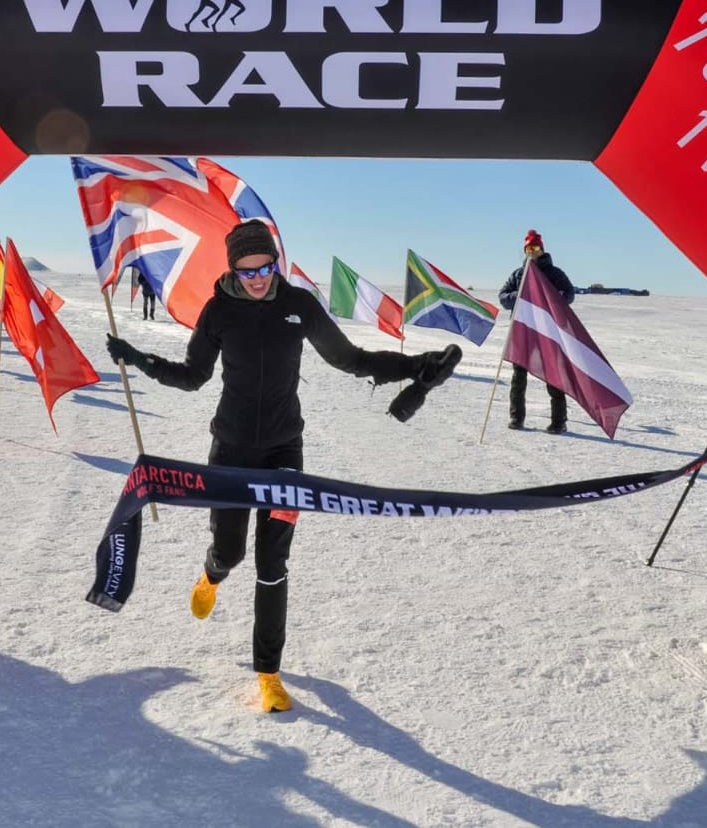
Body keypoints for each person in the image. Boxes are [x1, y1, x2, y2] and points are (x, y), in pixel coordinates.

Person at [104, 219, 462, 713]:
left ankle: (268, 674)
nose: (257, 279)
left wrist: (417, 365)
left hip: (283, 455)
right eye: (247, 271)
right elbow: (192, 376)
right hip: (231, 452)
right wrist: (140, 360)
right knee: (230, 551)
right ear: (233, 269)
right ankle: (211, 574)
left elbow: (352, 359)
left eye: (265, 268)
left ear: (276, 263)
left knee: (272, 564)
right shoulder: (218, 311)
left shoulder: (299, 306)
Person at [498, 229, 576, 434]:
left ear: (542, 249)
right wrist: (519, 294)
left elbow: (569, 294)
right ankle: (516, 418)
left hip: (547, 332)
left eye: (535, 247)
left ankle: (559, 421)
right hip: (522, 331)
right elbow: (503, 298)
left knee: (553, 376)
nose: (532, 251)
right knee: (518, 378)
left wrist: (551, 296)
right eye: (528, 248)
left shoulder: (555, 273)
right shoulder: (518, 274)